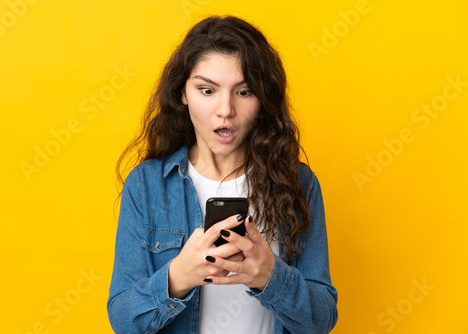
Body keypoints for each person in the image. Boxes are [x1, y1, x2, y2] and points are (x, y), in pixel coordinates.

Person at [107, 15, 338, 334]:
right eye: (207, 90)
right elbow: (123, 320)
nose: (225, 109)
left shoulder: (299, 183)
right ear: (183, 93)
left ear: (262, 99)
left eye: (243, 92)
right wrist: (178, 277)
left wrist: (270, 275)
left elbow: (321, 319)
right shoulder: (147, 185)